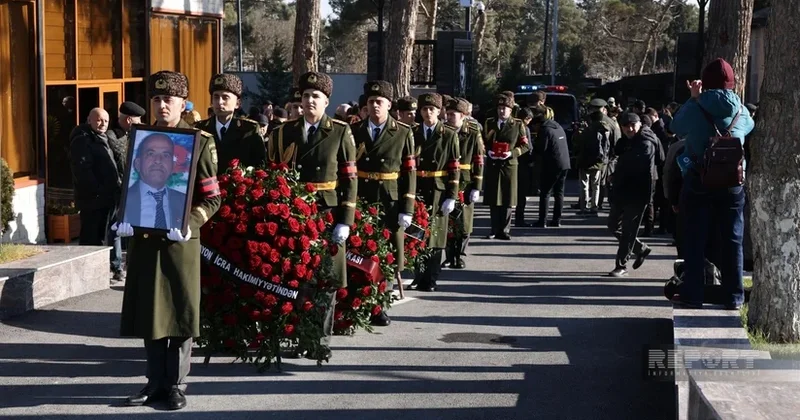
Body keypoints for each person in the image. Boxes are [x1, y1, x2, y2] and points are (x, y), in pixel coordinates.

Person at [115, 70, 220, 411]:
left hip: (180, 240)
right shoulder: (139, 139)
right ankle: (153, 381)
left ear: (182, 103)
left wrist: (191, 223)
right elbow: (130, 187)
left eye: (169, 99)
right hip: (145, 238)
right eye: (157, 99)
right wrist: (124, 217)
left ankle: (175, 384)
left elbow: (213, 198)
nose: (162, 105)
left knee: (178, 310)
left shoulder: (198, 141)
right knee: (150, 311)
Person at [267, 71, 359, 346]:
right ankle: (298, 335)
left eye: (315, 96)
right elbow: (272, 174)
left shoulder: (340, 131)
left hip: (327, 213)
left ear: (326, 102)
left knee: (326, 278)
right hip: (294, 213)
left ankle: (318, 339)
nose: (309, 101)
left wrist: (345, 220)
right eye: (305, 96)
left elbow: (349, 178)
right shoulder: (283, 132)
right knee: (297, 276)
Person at [669, 58, 754, 309]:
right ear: (732, 84)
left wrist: (694, 98)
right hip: (732, 182)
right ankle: (733, 296)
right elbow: (749, 127)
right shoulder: (741, 110)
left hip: (699, 179)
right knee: (733, 240)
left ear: (703, 83)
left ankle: (693, 293)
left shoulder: (696, 106)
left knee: (694, 238)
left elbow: (676, 126)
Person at [351, 80, 416, 296]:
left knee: (389, 249)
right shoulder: (354, 130)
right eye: (371, 101)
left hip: (390, 199)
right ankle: (362, 294)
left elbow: (409, 173)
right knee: (362, 248)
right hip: (362, 196)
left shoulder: (402, 132)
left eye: (379, 101)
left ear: (389, 105)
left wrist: (407, 207)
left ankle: (383, 295)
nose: (375, 106)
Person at [409, 93, 459, 292]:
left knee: (436, 237)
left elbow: (454, 167)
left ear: (439, 111)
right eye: (424, 109)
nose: (428, 113)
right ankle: (418, 276)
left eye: (432, 109)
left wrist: (452, 195)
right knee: (416, 235)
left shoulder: (448, 134)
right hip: (418, 188)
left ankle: (430, 278)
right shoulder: (413, 133)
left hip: (438, 190)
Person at [70, 107, 124, 279]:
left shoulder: (106, 138)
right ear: (89, 120)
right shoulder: (82, 140)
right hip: (93, 199)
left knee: (111, 232)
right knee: (93, 236)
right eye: (99, 120)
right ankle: (89, 273)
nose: (102, 124)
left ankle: (114, 267)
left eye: (106, 121)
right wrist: (98, 191)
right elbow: (83, 171)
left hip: (110, 197)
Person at [607, 113, 660, 277]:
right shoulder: (627, 141)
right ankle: (640, 248)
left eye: (632, 125)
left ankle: (621, 265)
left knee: (629, 229)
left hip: (639, 190)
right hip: (623, 189)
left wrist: (618, 173)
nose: (629, 129)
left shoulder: (646, 140)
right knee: (613, 225)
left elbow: (638, 164)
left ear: (639, 124)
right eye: (625, 126)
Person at [443, 98, 484, 268]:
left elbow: (479, 159)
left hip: (466, 181)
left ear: (463, 116)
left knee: (464, 222)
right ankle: (449, 254)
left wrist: (477, 186)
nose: (450, 117)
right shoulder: (443, 130)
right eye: (449, 114)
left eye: (454, 114)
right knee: (448, 220)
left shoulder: (473, 131)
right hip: (448, 179)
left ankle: (460, 254)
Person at [483, 94, 530, 239]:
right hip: (493, 164)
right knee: (493, 197)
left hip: (509, 165)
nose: (502, 111)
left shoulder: (517, 124)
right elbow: (483, 142)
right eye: (500, 108)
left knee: (507, 198)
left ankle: (504, 230)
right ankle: (493, 229)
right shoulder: (489, 122)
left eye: (505, 109)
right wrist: (488, 152)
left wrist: (511, 153)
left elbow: (525, 145)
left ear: (511, 110)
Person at [195, 73, 266, 169]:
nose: (219, 102)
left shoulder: (249, 130)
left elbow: (260, 165)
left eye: (225, 97)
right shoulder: (200, 129)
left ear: (237, 103)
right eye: (216, 97)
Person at [122, 133, 188, 230]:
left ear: (172, 166)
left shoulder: (184, 201)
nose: (158, 160)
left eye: (166, 155)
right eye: (151, 154)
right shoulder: (122, 200)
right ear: (137, 164)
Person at [533, 105, 570, 228]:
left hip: (552, 164)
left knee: (545, 193)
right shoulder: (557, 126)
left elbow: (541, 148)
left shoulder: (545, 129)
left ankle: (542, 221)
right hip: (565, 163)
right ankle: (557, 220)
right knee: (559, 193)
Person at [576, 100, 612, 216]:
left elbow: (578, 144)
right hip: (599, 161)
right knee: (596, 185)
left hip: (585, 161)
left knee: (584, 185)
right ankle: (594, 207)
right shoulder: (606, 129)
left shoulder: (588, 130)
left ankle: (584, 206)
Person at [514, 107, 535, 227]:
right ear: (527, 119)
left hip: (513, 161)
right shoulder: (524, 128)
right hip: (523, 164)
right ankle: (519, 218)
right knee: (522, 194)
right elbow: (528, 147)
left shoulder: (513, 126)